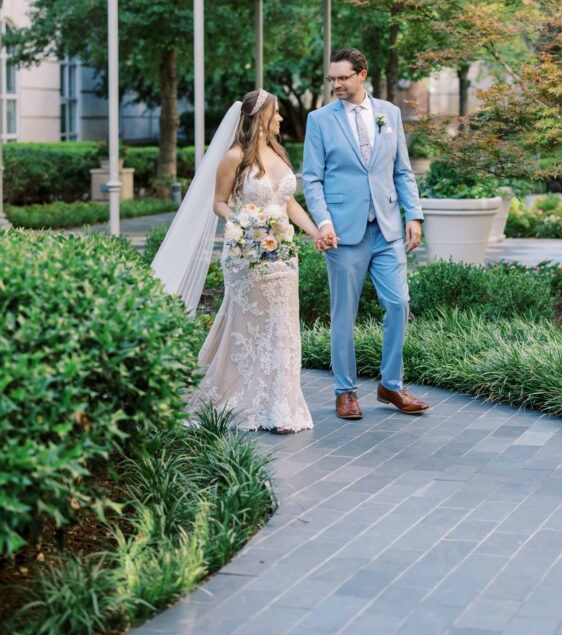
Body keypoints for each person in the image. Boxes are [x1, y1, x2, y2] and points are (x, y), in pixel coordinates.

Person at [152, 89, 319, 434]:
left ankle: (281, 406)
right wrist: (244, 224)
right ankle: (239, 398)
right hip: (247, 255)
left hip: (283, 256)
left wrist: (315, 232)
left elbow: (289, 203)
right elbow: (219, 202)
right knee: (246, 328)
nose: (281, 119)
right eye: (276, 113)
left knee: (282, 329)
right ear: (260, 117)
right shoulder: (233, 156)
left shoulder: (279, 154)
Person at [302, 47, 430, 420]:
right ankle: (345, 391)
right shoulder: (319, 120)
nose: (336, 85)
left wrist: (414, 215)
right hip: (344, 233)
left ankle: (391, 385)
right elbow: (312, 177)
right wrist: (324, 222)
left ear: (362, 74)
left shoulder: (388, 113)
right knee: (344, 314)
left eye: (343, 77)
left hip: (387, 228)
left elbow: (402, 170)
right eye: (332, 79)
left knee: (398, 304)